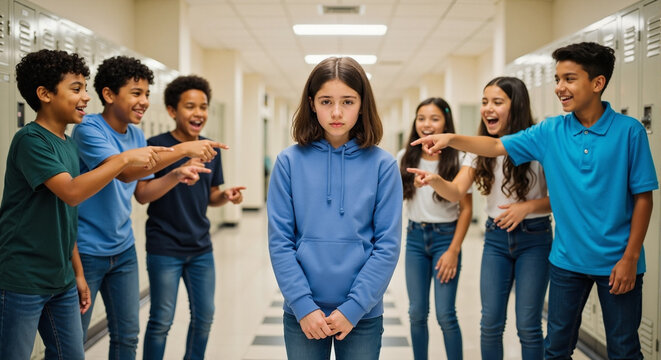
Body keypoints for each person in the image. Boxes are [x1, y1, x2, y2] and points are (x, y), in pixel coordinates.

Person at [412, 42, 658, 360]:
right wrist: (450, 138)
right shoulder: (550, 131)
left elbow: (643, 198)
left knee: (623, 349)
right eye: (557, 79)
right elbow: (496, 147)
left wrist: (630, 257)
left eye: (569, 79)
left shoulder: (630, 132)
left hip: (615, 261)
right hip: (566, 261)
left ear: (597, 83)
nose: (559, 88)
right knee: (555, 349)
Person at [0, 50, 164, 360]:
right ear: (45, 94)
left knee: (70, 355)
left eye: (85, 88)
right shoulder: (30, 140)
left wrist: (76, 272)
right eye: (76, 89)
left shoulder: (66, 143)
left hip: (61, 277)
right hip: (24, 277)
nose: (86, 98)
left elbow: (67, 216)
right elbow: (72, 193)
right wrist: (125, 157)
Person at [71, 56, 225, 359]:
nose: (143, 102)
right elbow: (124, 171)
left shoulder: (137, 135)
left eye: (146, 94)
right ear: (109, 94)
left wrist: (176, 174)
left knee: (127, 337)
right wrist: (182, 150)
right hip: (87, 250)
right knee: (73, 340)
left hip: (123, 248)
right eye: (136, 93)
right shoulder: (89, 129)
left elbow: (142, 192)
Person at [267, 56, 402, 360]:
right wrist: (303, 305)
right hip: (303, 312)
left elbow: (388, 246)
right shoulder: (288, 163)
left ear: (362, 104)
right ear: (312, 103)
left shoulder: (384, 166)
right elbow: (280, 243)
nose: (337, 112)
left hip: (362, 314)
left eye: (348, 101)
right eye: (327, 101)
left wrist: (353, 308)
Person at [408, 77, 552, 360]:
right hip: (496, 239)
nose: (488, 109)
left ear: (517, 106)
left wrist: (527, 207)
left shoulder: (539, 141)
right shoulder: (477, 151)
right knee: (490, 325)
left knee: (528, 326)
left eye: (497, 102)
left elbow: (562, 198)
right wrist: (436, 180)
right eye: (485, 102)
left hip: (534, 238)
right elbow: (456, 192)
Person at [142, 75, 245, 360]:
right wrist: (176, 172)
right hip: (164, 246)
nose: (198, 112)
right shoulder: (156, 147)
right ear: (172, 111)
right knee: (161, 320)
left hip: (201, 246)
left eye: (203, 106)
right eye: (190, 106)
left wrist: (225, 196)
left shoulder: (211, 148)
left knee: (205, 317)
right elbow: (142, 194)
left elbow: (211, 196)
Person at [397, 97, 472, 360]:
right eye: (421, 118)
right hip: (416, 238)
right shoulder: (405, 157)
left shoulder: (459, 158)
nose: (427, 124)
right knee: (417, 313)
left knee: (445, 314)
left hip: (445, 239)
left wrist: (453, 250)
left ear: (446, 122)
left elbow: (467, 209)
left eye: (434, 118)